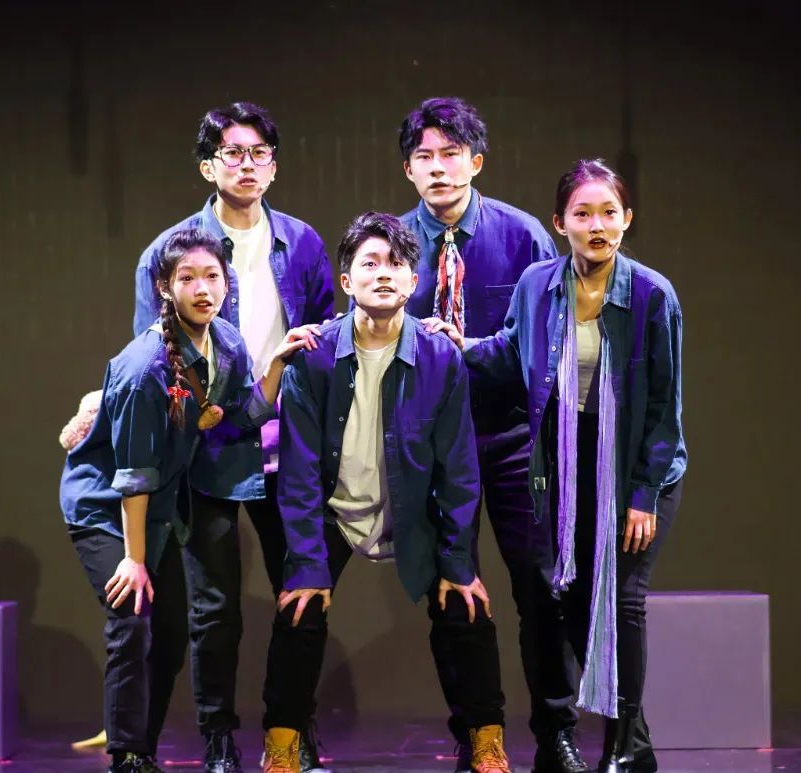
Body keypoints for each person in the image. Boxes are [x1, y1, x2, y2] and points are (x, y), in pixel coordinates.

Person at [432, 159, 687, 773]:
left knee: (621, 600)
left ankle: (624, 741)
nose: (597, 225)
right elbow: (512, 352)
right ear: (559, 223)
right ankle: (596, 740)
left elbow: (663, 408)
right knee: (562, 598)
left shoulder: (652, 295)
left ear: (627, 219)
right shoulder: (537, 284)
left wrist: (644, 495)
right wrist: (460, 347)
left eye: (608, 213)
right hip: (563, 464)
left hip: (634, 468)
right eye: (582, 214)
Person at [259, 212, 512, 773]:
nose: (382, 273)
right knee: (298, 608)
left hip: (412, 510)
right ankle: (282, 744)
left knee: (466, 605)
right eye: (368, 263)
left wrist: (457, 560)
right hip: (335, 507)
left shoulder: (440, 355)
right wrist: (307, 563)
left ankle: (484, 740)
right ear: (345, 280)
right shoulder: (313, 355)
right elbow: (298, 473)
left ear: (414, 281)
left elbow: (459, 469)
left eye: (395, 264)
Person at [61, 229, 318, 773]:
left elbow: (241, 416)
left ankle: (144, 746)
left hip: (157, 509)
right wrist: (133, 560)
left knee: (173, 631)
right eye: (188, 278)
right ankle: (128, 756)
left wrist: (276, 366)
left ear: (226, 283)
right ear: (164, 286)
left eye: (212, 277)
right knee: (131, 617)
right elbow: (132, 476)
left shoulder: (226, 341)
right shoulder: (144, 369)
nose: (202, 289)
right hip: (106, 508)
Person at [133, 103, 335, 772]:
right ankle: (218, 737)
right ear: (207, 166)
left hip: (290, 447)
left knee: (301, 594)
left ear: (274, 166)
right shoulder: (171, 249)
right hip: (211, 449)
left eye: (259, 153)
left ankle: (291, 731)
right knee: (215, 608)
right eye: (232, 153)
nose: (247, 165)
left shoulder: (301, 242)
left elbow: (325, 339)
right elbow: (151, 356)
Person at [397, 97, 576, 770]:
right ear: (408, 170)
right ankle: (480, 735)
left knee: (542, 588)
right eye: (424, 157)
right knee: (453, 593)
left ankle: (556, 732)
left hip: (513, 438)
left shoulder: (523, 236)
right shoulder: (393, 243)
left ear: (476, 161)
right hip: (434, 447)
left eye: (451, 154)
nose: (438, 168)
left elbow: (545, 344)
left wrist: (466, 349)